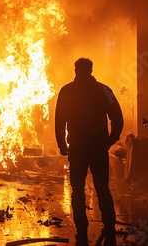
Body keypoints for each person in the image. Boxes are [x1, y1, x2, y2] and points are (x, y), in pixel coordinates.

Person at [55, 58, 123, 246]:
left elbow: (59, 120)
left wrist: (63, 145)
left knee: (77, 189)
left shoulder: (67, 91)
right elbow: (117, 118)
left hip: (77, 148)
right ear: (91, 69)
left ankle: (81, 231)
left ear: (75, 69)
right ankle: (109, 229)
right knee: (102, 188)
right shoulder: (103, 90)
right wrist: (111, 139)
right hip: (98, 147)